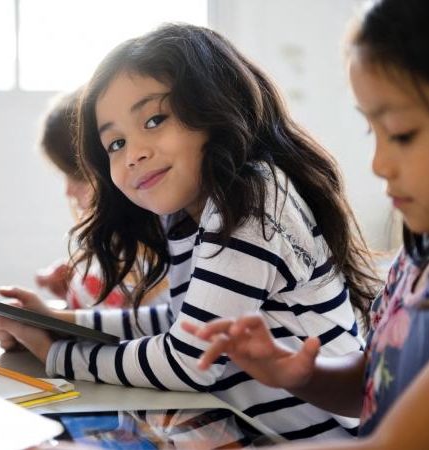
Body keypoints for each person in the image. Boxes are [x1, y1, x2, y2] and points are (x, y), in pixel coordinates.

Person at [0, 23, 380, 441]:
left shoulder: (250, 198)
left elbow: (189, 361)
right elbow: (181, 321)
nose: (134, 153)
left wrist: (56, 354)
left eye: (154, 120)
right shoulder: (190, 212)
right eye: (115, 143)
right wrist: (58, 321)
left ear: (215, 107)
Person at [183, 0, 429, 448]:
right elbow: (375, 381)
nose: (378, 163)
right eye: (371, 131)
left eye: (401, 133)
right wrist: (297, 371)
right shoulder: (414, 261)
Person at [35, 89, 168, 309]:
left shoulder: (150, 268)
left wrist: (51, 330)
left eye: (75, 176)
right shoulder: (113, 248)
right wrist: (72, 284)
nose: (68, 192)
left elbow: (122, 330)